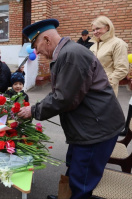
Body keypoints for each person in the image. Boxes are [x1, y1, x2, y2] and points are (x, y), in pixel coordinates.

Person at [19, 18, 125, 199]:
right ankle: (65, 196)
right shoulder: (67, 53)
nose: (36, 52)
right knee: (73, 166)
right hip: (88, 126)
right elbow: (61, 92)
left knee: (82, 181)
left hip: (95, 130)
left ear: (46, 40)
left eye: (36, 46)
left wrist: (33, 111)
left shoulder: (71, 55)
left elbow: (64, 98)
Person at [89, 16, 129, 97]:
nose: (95, 32)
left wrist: (106, 83)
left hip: (106, 88)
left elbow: (122, 69)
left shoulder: (118, 44)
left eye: (98, 28)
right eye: (93, 30)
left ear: (107, 27)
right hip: (91, 87)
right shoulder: (93, 46)